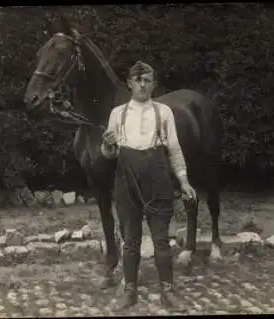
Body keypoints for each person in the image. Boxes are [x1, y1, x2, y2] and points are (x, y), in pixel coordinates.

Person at [100, 61, 197, 310]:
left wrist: (184, 181)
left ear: (154, 84)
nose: (143, 85)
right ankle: (129, 291)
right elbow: (109, 154)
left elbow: (174, 150)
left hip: (157, 177)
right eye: (138, 80)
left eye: (147, 81)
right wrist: (108, 144)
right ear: (129, 84)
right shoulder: (117, 114)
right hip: (126, 179)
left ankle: (168, 292)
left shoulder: (163, 112)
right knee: (130, 240)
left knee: (161, 240)